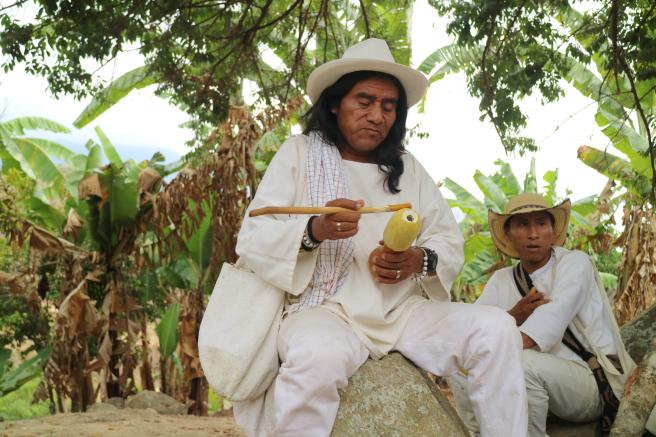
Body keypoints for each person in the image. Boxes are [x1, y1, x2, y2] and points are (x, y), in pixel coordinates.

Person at [233, 38, 528, 437]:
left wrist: (416, 261)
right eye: (365, 101)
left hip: (403, 313)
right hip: (324, 310)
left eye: (388, 107)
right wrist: (313, 231)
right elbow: (254, 235)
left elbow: (446, 238)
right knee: (316, 356)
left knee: (496, 330)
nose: (377, 115)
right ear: (336, 103)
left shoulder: (407, 167)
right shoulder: (299, 154)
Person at [448, 193, 636, 436]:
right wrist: (513, 316)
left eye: (541, 223)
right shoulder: (501, 280)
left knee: (519, 363)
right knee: (456, 361)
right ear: (508, 234)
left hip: (591, 380)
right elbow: (473, 330)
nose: (533, 233)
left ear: (552, 229)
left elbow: (547, 324)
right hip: (535, 384)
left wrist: (491, 344)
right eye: (522, 225)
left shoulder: (575, 264)